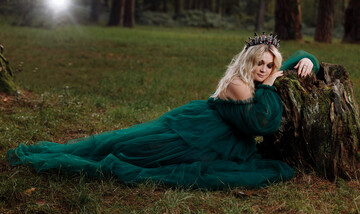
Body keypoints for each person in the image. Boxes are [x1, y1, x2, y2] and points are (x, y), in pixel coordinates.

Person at [7, 33, 320, 190]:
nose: (264, 70)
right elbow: (260, 122)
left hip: (213, 141)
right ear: (247, 62)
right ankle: (52, 157)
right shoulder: (239, 83)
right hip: (190, 131)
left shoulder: (264, 75)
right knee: (124, 148)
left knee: (129, 149)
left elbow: (301, 56)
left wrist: (309, 60)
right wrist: (270, 83)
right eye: (259, 64)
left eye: (270, 65)